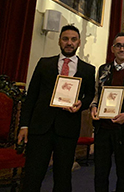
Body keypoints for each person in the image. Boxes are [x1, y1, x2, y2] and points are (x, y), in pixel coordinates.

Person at [18, 25, 95, 192]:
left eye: (73, 39)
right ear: (60, 41)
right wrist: (24, 125)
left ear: (79, 43)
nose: (69, 43)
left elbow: (90, 96)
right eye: (65, 39)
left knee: (63, 177)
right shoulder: (44, 63)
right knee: (33, 175)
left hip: (67, 129)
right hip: (40, 128)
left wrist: (82, 104)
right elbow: (31, 97)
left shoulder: (88, 70)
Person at [90, 32, 124, 192]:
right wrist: (94, 106)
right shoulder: (103, 69)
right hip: (103, 129)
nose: (122, 48)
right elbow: (96, 94)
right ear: (112, 49)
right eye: (118, 45)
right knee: (100, 172)